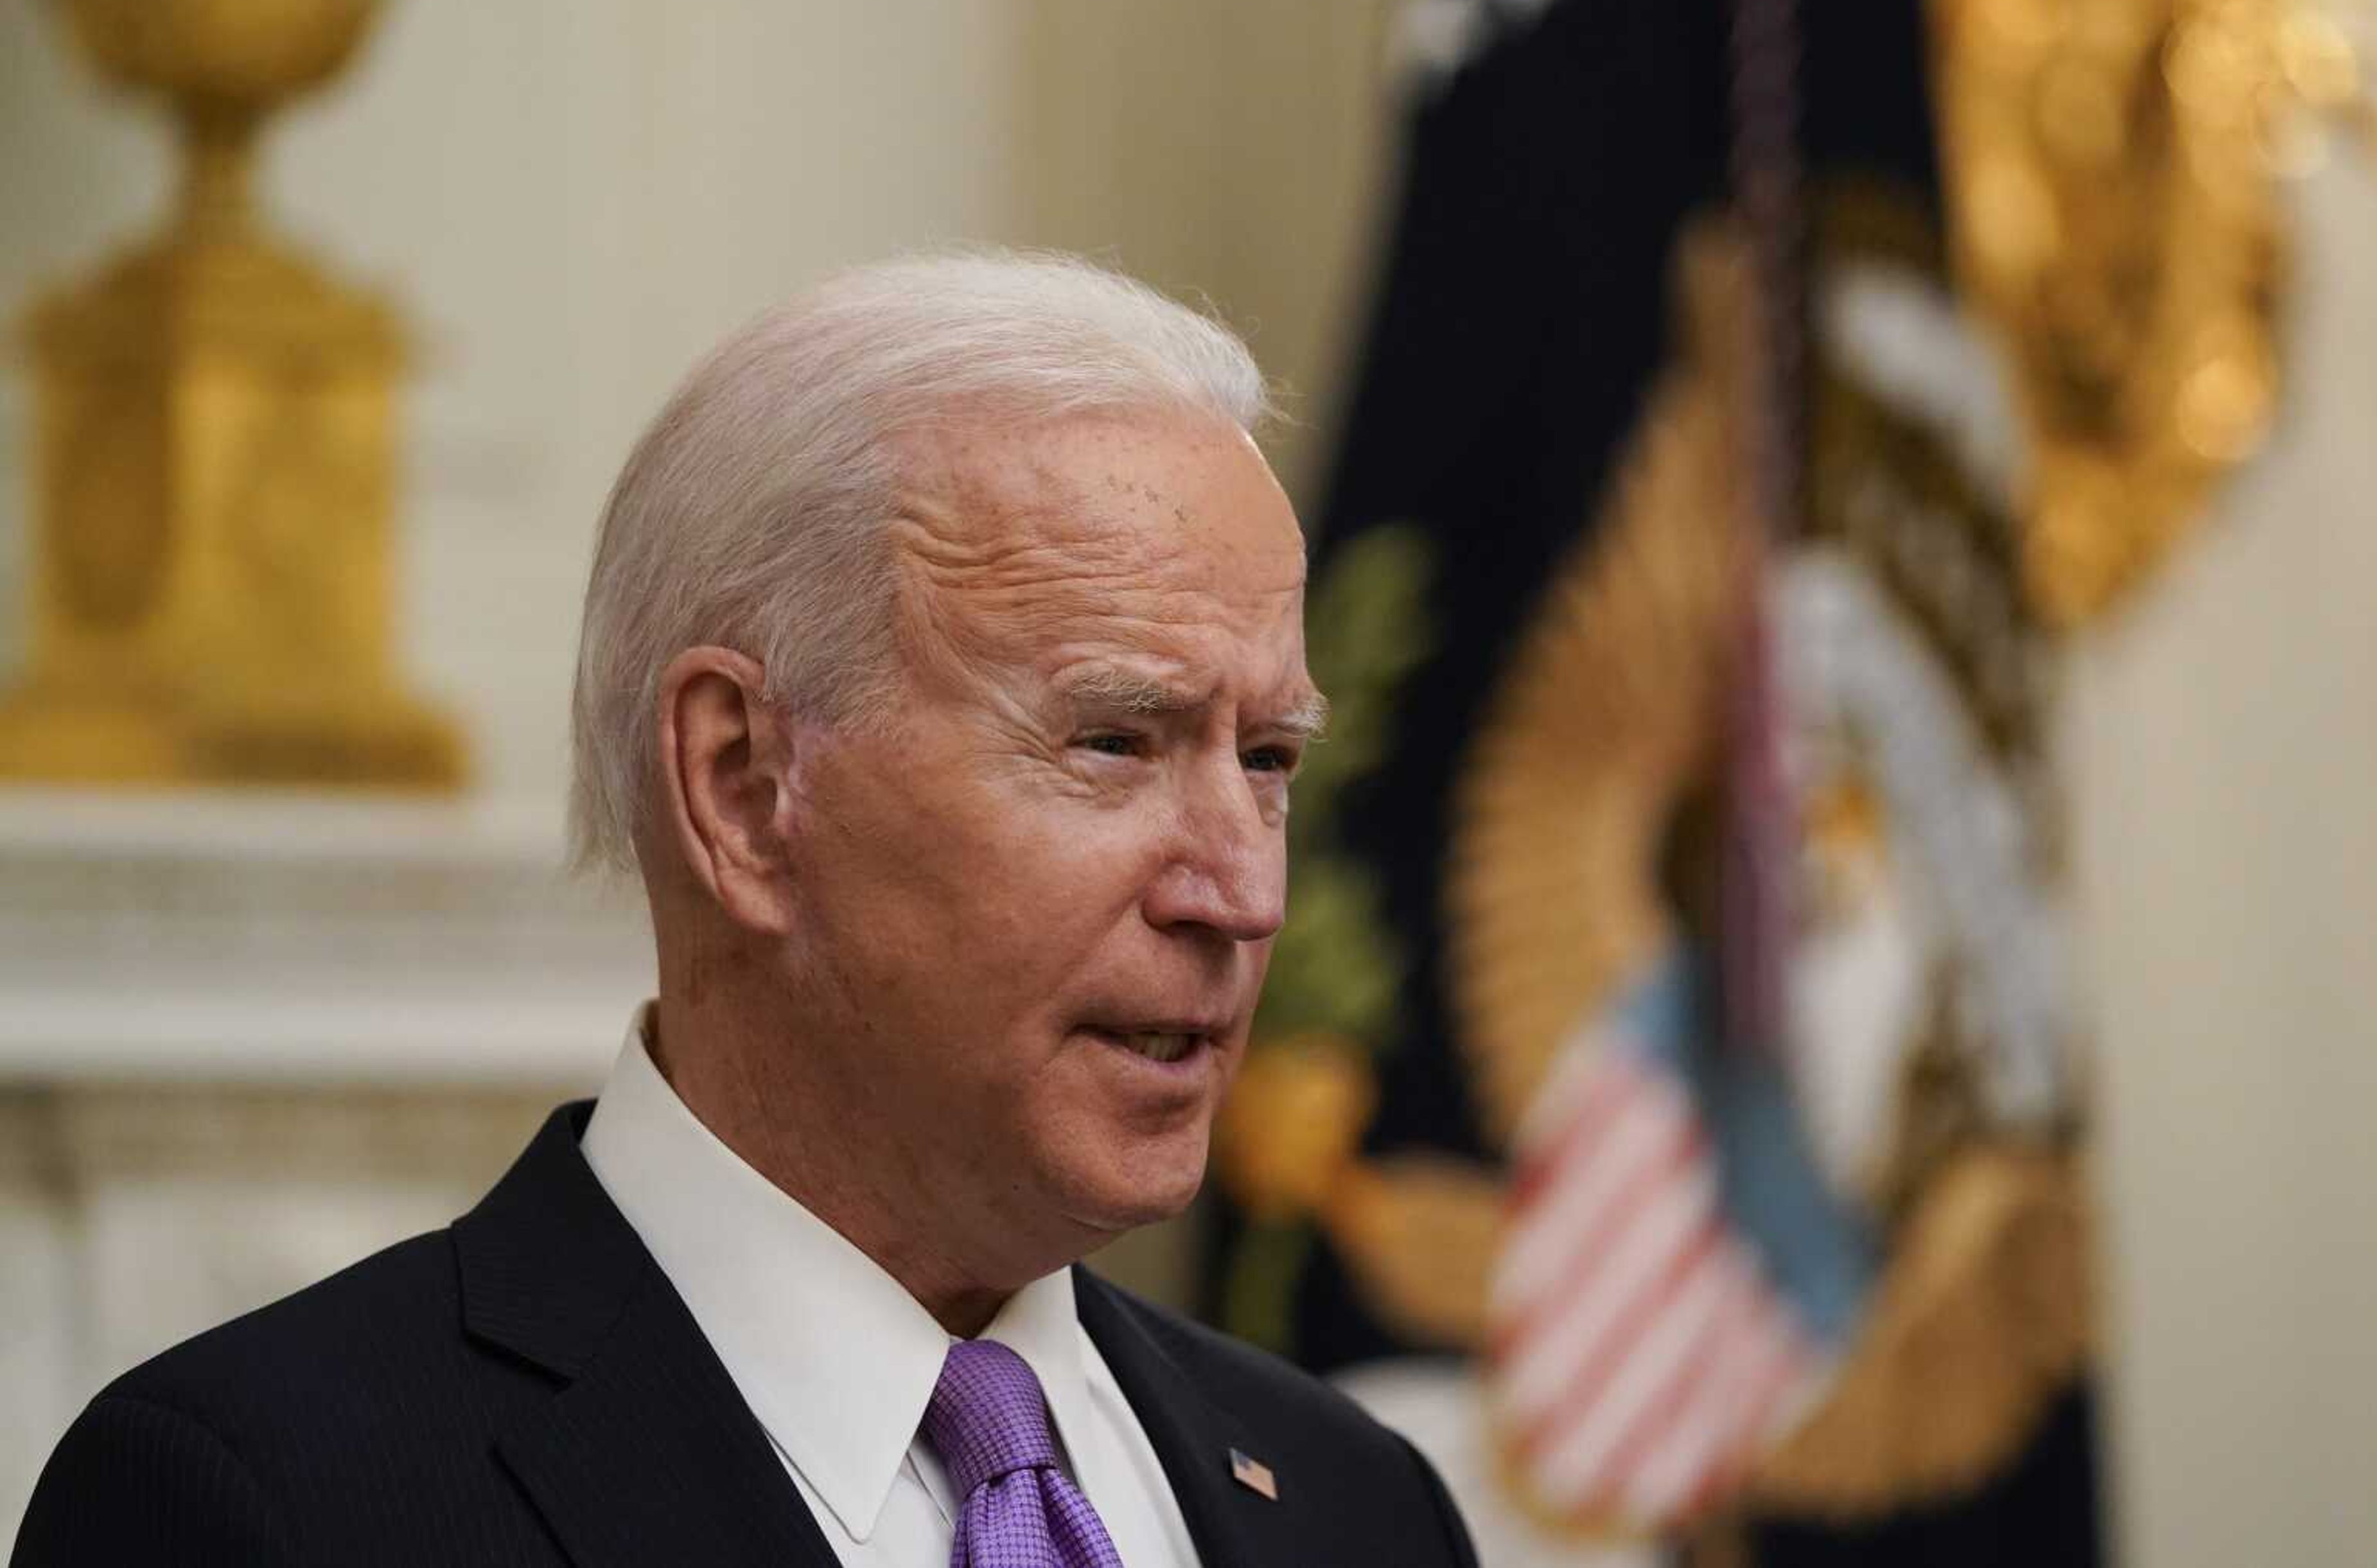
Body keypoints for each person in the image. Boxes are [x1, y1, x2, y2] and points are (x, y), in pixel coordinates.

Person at [11, 251, 1479, 1567]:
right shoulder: (264, 1510)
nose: (1242, 892)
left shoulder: (1364, 1509)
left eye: (1271, 759)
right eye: (1114, 742)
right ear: (741, 782)